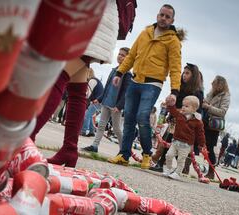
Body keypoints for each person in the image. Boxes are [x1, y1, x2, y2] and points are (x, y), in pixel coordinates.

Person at [30, 1, 119, 167]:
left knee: (59, 76)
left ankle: (25, 139)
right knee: (77, 91)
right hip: (99, 22)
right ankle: (69, 150)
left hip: (90, 20)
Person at [108, 4, 183, 169]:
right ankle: (124, 154)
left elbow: (176, 68)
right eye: (161, 15)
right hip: (135, 81)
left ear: (172, 20)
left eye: (167, 16)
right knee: (128, 118)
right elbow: (132, 56)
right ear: (157, 15)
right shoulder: (145, 33)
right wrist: (120, 73)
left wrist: (175, 92)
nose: (163, 18)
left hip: (152, 83)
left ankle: (147, 153)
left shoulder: (173, 41)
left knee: (142, 117)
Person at [150, 63, 203, 173]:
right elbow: (174, 102)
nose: (184, 75)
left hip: (187, 123)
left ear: (193, 76)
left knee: (179, 146)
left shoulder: (197, 92)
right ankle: (161, 163)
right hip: (175, 120)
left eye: (187, 73)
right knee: (168, 141)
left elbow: (197, 110)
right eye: (184, 72)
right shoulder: (179, 87)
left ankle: (181, 166)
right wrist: (169, 106)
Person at [82, 47, 131, 153]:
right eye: (119, 54)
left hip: (115, 106)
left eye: (123, 55)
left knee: (117, 128)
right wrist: (99, 99)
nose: (120, 56)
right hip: (106, 102)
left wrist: (119, 106)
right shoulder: (114, 70)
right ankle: (95, 146)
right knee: (101, 125)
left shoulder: (127, 74)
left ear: (128, 58)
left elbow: (126, 93)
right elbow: (107, 87)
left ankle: (123, 150)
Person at [163, 96, 205, 180]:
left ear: (194, 109)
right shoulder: (179, 115)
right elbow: (173, 111)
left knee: (181, 159)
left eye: (186, 106)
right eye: (183, 105)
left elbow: (200, 134)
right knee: (168, 155)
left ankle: (177, 173)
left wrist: (201, 144)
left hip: (186, 144)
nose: (183, 107)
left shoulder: (197, 121)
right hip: (175, 141)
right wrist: (171, 105)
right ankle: (168, 169)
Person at [202, 75, 231, 179]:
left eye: (214, 82)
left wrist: (209, 107)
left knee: (209, 148)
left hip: (213, 125)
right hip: (204, 121)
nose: (211, 83)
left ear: (220, 84)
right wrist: (204, 103)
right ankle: (186, 166)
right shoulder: (211, 92)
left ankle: (211, 171)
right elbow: (204, 101)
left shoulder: (225, 95)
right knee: (196, 143)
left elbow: (222, 112)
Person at [81, 69, 104, 137]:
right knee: (90, 115)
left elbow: (88, 94)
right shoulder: (96, 80)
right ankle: (91, 131)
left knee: (87, 115)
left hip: (97, 101)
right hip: (99, 101)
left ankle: (83, 131)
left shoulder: (92, 80)